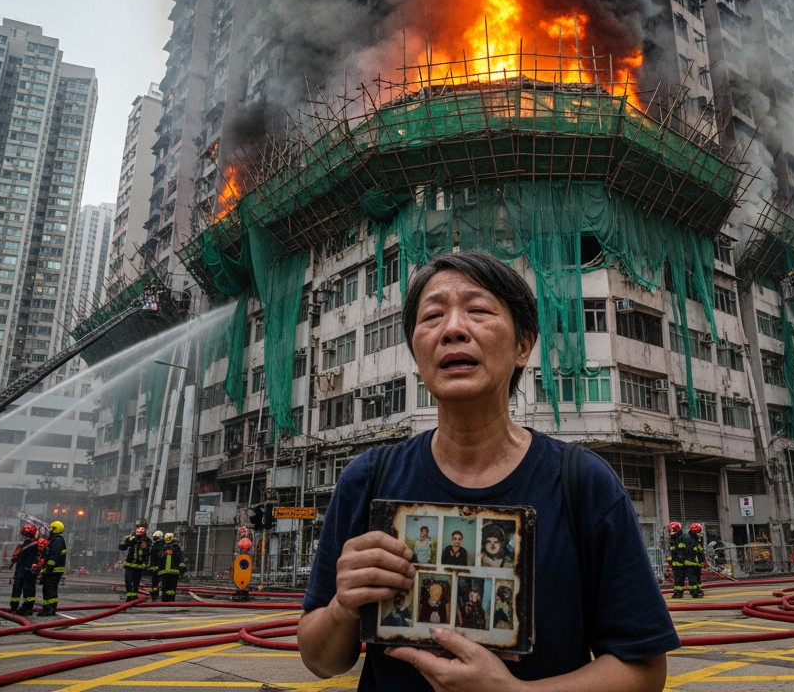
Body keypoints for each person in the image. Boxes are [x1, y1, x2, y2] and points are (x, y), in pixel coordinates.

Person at [299, 251, 677, 691]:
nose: (453, 329)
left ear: (523, 345)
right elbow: (320, 660)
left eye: (478, 310)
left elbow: (646, 670)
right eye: (432, 316)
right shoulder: (367, 480)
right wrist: (345, 607)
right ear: (416, 352)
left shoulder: (585, 484)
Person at [38, 520, 67, 616]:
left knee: (50, 589)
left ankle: (50, 609)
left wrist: (48, 567)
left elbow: (53, 556)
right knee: (47, 589)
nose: (50, 530)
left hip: (54, 570)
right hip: (52, 569)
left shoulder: (57, 540)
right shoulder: (54, 539)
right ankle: (47, 608)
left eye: (51, 528)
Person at [10, 524, 40, 615]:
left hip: (22, 570)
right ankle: (27, 608)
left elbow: (15, 558)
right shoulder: (37, 544)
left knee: (17, 589)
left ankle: (14, 608)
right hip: (29, 570)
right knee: (29, 590)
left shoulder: (22, 545)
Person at [119, 525, 150, 601]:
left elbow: (147, 553)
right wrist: (127, 541)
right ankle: (129, 596)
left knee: (136, 582)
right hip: (129, 564)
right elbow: (121, 547)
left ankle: (134, 596)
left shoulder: (146, 540)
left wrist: (145, 563)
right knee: (128, 580)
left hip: (139, 565)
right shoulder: (131, 538)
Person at [155, 532, 186, 601]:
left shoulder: (163, 548)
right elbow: (180, 558)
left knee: (165, 587)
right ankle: (171, 599)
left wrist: (159, 569)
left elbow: (159, 558)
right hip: (174, 571)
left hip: (164, 572)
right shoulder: (176, 548)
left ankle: (165, 599)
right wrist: (181, 568)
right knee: (172, 587)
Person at [666, 521, 689, 599]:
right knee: (677, 579)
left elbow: (683, 551)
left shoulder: (681, 539)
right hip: (675, 564)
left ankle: (678, 593)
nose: (670, 532)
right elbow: (670, 552)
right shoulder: (672, 540)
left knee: (680, 579)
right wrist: (670, 560)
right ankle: (677, 593)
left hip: (681, 564)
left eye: (671, 530)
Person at [685, 523, 706, 598]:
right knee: (693, 579)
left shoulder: (696, 541)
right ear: (695, 532)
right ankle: (694, 592)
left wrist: (703, 560)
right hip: (690, 564)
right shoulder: (689, 541)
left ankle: (698, 590)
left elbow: (700, 552)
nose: (700, 534)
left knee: (697, 579)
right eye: (699, 532)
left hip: (696, 564)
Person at [147, 530, 165, 600]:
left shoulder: (155, 545)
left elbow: (152, 557)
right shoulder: (165, 545)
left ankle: (155, 595)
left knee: (155, 583)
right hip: (163, 568)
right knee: (164, 582)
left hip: (155, 567)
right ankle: (164, 595)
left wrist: (149, 567)